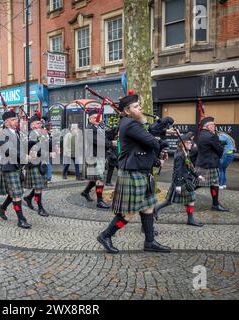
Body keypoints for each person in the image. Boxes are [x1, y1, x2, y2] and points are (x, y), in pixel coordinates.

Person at [97, 93, 171, 254]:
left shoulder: (133, 122)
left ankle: (150, 242)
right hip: (132, 173)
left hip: (140, 170)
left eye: (139, 105)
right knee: (129, 213)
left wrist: (159, 128)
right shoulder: (130, 124)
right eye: (136, 106)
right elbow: (151, 141)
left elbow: (146, 136)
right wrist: (161, 140)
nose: (140, 108)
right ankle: (105, 235)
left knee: (148, 207)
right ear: (127, 111)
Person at [153, 132, 206, 227]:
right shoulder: (179, 155)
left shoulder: (185, 153)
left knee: (189, 200)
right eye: (189, 143)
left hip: (185, 180)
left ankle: (190, 219)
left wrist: (197, 176)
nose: (191, 144)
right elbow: (177, 171)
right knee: (171, 201)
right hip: (181, 181)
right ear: (183, 144)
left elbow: (190, 166)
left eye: (191, 142)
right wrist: (178, 185)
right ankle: (155, 209)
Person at [0, 109, 31, 229]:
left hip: (17, 167)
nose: (16, 121)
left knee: (15, 192)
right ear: (6, 123)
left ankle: (2, 207)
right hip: (9, 167)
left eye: (16, 119)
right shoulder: (2, 134)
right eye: (13, 119)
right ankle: (21, 219)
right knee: (16, 195)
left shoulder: (17, 133)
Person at [195, 117, 229, 212]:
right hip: (210, 164)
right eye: (213, 125)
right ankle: (215, 205)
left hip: (202, 162)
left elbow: (211, 144)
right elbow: (219, 150)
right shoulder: (212, 136)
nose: (215, 126)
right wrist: (221, 145)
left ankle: (215, 204)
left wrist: (219, 142)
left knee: (200, 182)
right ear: (208, 126)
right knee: (211, 183)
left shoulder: (201, 134)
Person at [23, 112, 51, 217]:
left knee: (39, 186)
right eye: (38, 123)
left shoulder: (43, 133)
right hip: (34, 163)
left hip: (42, 161)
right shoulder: (29, 134)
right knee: (39, 187)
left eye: (41, 123)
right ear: (32, 125)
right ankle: (40, 208)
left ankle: (29, 198)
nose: (41, 125)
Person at [81, 109, 111, 209]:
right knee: (100, 179)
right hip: (94, 156)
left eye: (98, 117)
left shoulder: (99, 127)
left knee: (96, 179)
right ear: (89, 119)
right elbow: (97, 141)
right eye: (94, 117)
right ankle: (99, 201)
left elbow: (106, 137)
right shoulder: (89, 128)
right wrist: (110, 144)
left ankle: (85, 192)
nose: (97, 119)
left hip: (100, 155)